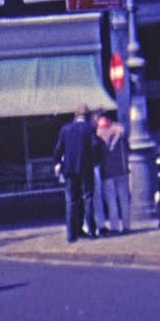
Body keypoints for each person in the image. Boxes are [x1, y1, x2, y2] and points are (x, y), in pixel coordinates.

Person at [54, 104, 103, 243]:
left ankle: (71, 234)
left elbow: (58, 149)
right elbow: (95, 146)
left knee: (71, 201)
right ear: (86, 116)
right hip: (86, 168)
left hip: (69, 169)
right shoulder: (90, 128)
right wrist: (95, 160)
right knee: (88, 198)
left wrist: (57, 162)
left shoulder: (65, 129)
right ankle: (92, 231)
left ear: (75, 116)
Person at [96, 114, 131, 234]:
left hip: (107, 171)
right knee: (124, 199)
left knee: (111, 200)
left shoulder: (98, 134)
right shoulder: (120, 131)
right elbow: (128, 148)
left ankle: (115, 227)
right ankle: (127, 226)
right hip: (122, 169)